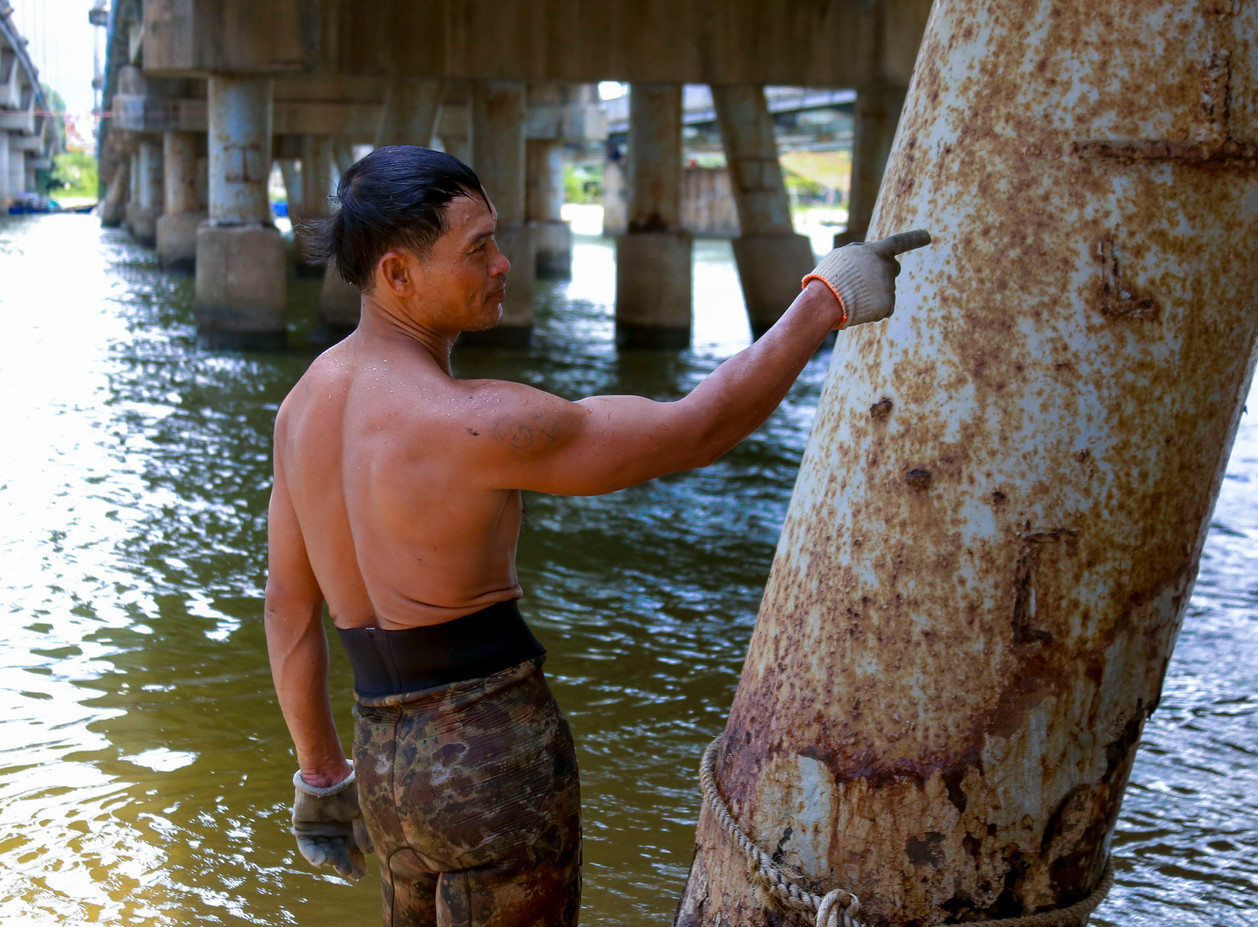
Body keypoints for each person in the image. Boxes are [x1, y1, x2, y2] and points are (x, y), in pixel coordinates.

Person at [263, 144, 929, 927]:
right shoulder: (477, 421)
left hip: (383, 765)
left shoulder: (300, 408)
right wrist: (827, 298)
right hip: (490, 760)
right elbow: (695, 429)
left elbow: (286, 606)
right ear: (398, 275)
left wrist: (320, 775)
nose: (504, 264)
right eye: (477, 249)